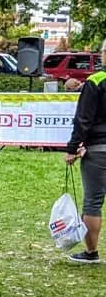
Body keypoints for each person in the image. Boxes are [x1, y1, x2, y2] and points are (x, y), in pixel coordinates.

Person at [64, 67, 106, 264]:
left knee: (93, 202)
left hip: (99, 149)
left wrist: (73, 148)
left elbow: (83, 119)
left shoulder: (96, 80)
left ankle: (91, 252)